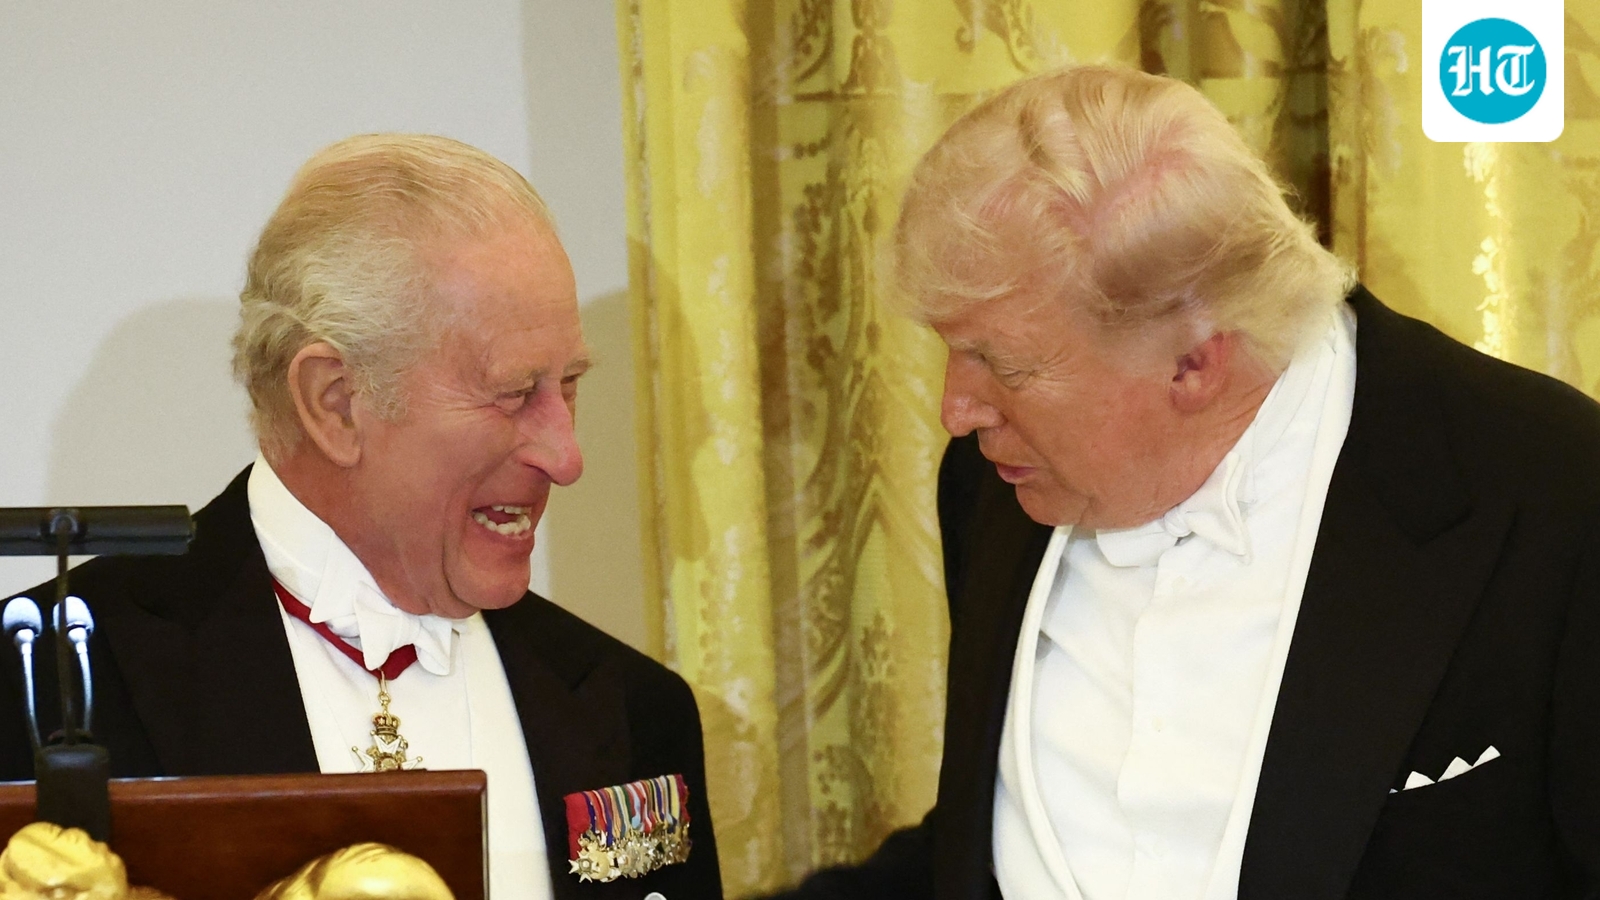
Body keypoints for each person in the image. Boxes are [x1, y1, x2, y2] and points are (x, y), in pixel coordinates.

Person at [776, 66, 1600, 899]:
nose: (956, 409)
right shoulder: (998, 480)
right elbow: (990, 841)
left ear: (1197, 361)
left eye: (1005, 364)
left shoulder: (1554, 499)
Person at [0, 135, 722, 900]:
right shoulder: (42, 686)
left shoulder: (636, 708)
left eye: (568, 385)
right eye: (515, 393)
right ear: (335, 403)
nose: (566, 456)